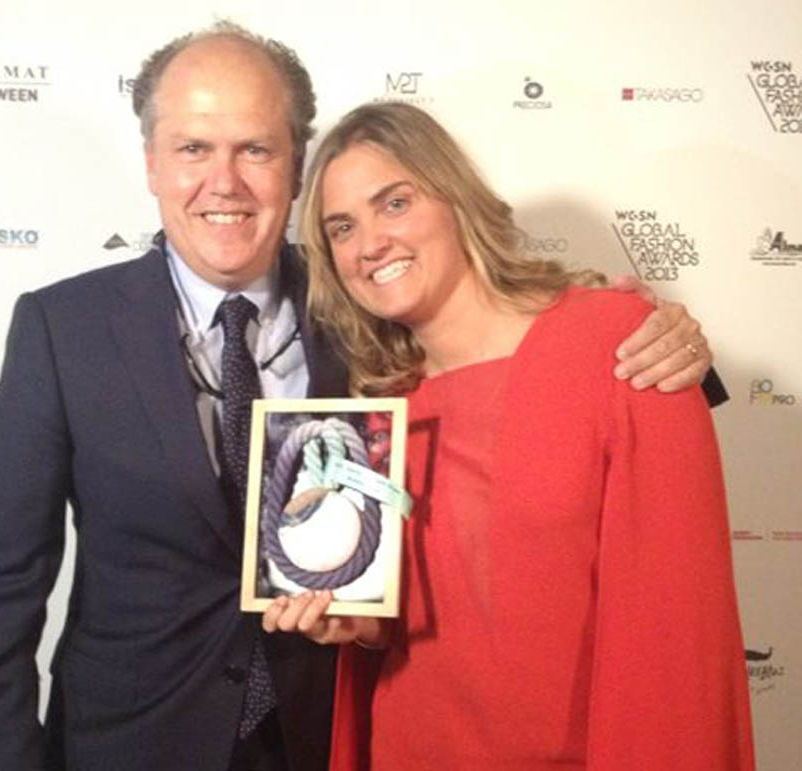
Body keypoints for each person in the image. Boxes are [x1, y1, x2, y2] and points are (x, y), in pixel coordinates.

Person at [0, 21, 719, 771]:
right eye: (193, 148)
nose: (225, 181)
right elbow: (0, 588)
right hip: (131, 746)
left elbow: (516, 354)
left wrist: (672, 341)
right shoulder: (63, 328)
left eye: (255, 149)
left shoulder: (364, 310)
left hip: (325, 739)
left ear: (294, 166)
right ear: (152, 162)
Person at [262, 102, 754, 770]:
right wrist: (358, 624)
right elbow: (411, 624)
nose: (370, 243)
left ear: (454, 200)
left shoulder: (623, 344)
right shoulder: (376, 408)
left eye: (395, 203)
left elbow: (680, 639)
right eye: (342, 228)